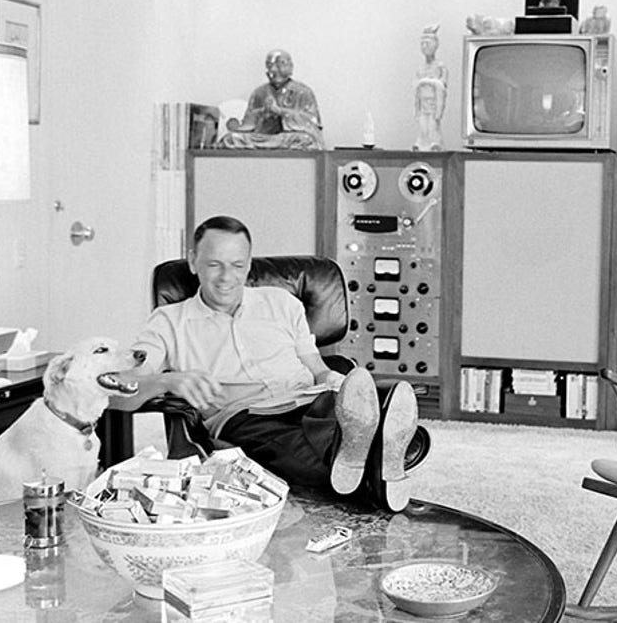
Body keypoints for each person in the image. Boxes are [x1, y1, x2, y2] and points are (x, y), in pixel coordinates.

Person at [111, 216, 418, 512]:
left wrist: (332, 377)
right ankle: (376, 460)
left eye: (238, 266)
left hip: (310, 398)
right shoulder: (169, 321)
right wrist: (167, 381)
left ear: (249, 263)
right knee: (292, 448)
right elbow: (118, 392)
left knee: (335, 414)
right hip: (245, 416)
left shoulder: (283, 303)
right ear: (193, 261)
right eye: (214, 264)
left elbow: (314, 363)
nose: (226, 278)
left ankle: (359, 448)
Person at [219, 49, 325, 150]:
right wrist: (263, 112)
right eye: (270, 65)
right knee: (231, 139)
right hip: (263, 138)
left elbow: (312, 122)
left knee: (306, 140)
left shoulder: (302, 91)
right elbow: (248, 124)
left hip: (287, 138)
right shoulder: (259, 92)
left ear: (290, 67)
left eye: (280, 65)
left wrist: (280, 112)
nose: (274, 70)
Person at [414, 25, 447, 151]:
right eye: (422, 44)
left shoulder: (440, 66)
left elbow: (442, 84)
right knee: (423, 125)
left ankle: (434, 143)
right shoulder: (420, 68)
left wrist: (429, 82)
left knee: (433, 125)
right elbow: (416, 87)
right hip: (423, 102)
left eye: (427, 44)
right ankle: (421, 143)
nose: (424, 47)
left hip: (433, 102)